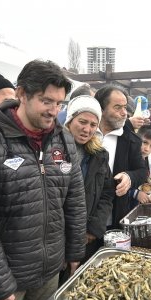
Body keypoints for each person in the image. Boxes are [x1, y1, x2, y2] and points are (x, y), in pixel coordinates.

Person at [0, 60, 86, 300]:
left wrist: (74, 251)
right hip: (8, 279)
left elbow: (74, 200)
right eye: (46, 101)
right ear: (21, 94)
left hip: (49, 270)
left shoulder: (62, 140)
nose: (54, 111)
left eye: (59, 103)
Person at [61, 95, 114, 276]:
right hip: (57, 237)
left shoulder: (99, 155)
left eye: (93, 125)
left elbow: (107, 193)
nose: (87, 129)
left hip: (86, 236)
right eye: (82, 122)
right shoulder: (54, 150)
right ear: (69, 120)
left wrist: (93, 229)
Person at [94, 85, 148, 228]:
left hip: (113, 215)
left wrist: (129, 177)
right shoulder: (86, 133)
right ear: (101, 109)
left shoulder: (131, 140)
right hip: (81, 213)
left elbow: (142, 171)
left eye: (125, 107)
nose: (124, 113)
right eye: (117, 107)